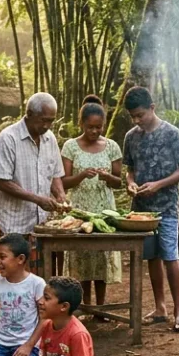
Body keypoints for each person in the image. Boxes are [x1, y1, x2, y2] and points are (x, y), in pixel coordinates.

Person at [122, 86, 179, 332]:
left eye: (141, 114)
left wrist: (159, 185)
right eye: (133, 116)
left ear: (153, 107)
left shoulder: (172, 134)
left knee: (170, 255)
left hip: (167, 207)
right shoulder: (131, 136)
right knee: (152, 256)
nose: (137, 120)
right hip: (141, 210)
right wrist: (131, 184)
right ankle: (160, 308)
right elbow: (129, 171)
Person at [0, 92, 67, 272]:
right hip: (13, 222)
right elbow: (2, 181)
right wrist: (38, 199)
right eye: (43, 120)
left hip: (40, 224)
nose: (47, 126)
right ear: (29, 114)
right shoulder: (8, 138)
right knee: (11, 277)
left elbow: (55, 174)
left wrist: (61, 195)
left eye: (51, 121)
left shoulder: (50, 139)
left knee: (39, 278)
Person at [61, 95, 124, 305]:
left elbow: (119, 182)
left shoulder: (112, 146)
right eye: (90, 127)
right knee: (82, 256)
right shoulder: (70, 146)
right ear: (81, 124)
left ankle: (101, 304)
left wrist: (107, 177)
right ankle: (85, 303)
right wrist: (81, 175)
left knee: (101, 256)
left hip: (104, 209)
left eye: (99, 127)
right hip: (80, 209)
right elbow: (64, 182)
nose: (95, 131)